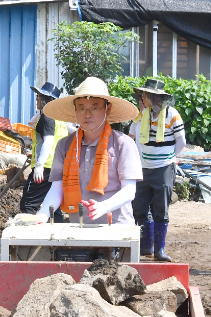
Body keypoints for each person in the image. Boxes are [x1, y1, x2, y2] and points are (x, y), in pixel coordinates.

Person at [36, 77, 141, 225]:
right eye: (81, 108)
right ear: (75, 110)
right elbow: (57, 189)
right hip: (78, 228)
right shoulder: (64, 145)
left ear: (107, 109)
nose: (87, 114)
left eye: (95, 107)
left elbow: (130, 190)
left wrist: (104, 206)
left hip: (117, 229)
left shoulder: (123, 143)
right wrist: (42, 214)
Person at [130, 79, 186, 262]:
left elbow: (181, 142)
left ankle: (159, 250)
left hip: (163, 168)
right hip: (144, 168)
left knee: (161, 208)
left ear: (152, 97)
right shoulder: (142, 115)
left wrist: (169, 158)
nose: (141, 99)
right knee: (139, 207)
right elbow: (132, 137)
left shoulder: (172, 115)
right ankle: (146, 246)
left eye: (144, 95)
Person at [20, 82, 69, 221]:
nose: (37, 99)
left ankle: (27, 238)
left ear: (46, 100)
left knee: (28, 204)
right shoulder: (59, 118)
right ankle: (59, 238)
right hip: (57, 167)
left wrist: (39, 164)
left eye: (38, 96)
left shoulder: (47, 117)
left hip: (46, 168)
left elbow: (48, 141)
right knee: (54, 204)